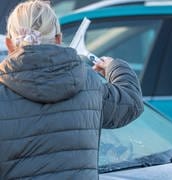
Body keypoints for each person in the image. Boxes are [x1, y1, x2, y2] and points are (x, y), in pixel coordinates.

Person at [0, 0, 143, 179]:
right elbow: (130, 104)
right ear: (59, 39)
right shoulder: (88, 84)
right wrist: (116, 67)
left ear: (9, 43)